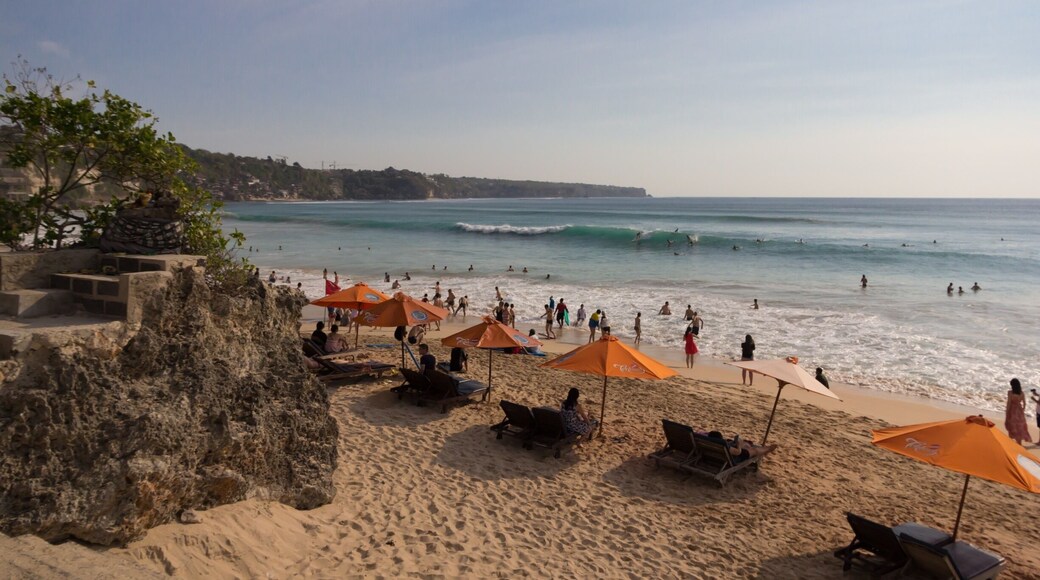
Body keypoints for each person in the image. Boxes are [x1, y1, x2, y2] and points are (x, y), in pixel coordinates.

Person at [706, 431, 777, 462]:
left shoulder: (706, 441)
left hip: (713, 455)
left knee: (744, 445)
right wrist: (738, 445)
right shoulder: (723, 445)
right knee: (754, 450)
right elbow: (738, 452)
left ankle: (764, 449)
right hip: (733, 457)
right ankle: (768, 449)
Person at [1006, 378, 1032, 445]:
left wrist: (1007, 412)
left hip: (1012, 411)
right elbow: (1024, 403)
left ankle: (1011, 442)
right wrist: (1022, 409)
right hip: (1019, 411)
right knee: (1019, 427)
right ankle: (1019, 443)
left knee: (1011, 426)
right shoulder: (1022, 393)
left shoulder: (1010, 393)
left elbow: (1009, 403)